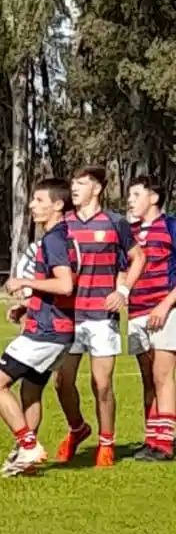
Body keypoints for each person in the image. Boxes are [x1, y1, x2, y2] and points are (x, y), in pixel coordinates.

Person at [53, 166, 144, 467]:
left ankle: (107, 443)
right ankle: (78, 429)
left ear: (97, 189)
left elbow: (138, 258)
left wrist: (123, 291)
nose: (74, 188)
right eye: (73, 183)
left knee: (101, 383)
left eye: (81, 183)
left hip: (101, 316)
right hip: (68, 315)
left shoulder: (115, 222)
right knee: (61, 382)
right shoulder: (63, 224)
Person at [0, 178, 75, 478]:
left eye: (38, 200)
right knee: (31, 391)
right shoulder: (64, 236)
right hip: (57, 328)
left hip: (46, 332)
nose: (32, 205)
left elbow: (65, 284)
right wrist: (28, 305)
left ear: (58, 205)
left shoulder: (54, 240)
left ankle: (28, 444)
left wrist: (25, 282)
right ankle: (28, 460)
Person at [124, 177, 176, 460]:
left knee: (162, 375)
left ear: (154, 198)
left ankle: (165, 444)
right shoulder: (128, 232)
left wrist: (165, 305)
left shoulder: (170, 227)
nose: (130, 199)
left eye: (136, 193)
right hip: (136, 312)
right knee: (147, 378)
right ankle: (152, 439)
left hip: (165, 310)